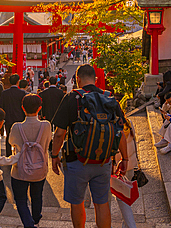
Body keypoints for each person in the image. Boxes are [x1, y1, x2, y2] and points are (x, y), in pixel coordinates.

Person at [50, 64, 129, 228]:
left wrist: (54, 155)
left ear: (77, 80)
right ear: (96, 79)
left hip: (76, 160)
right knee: (101, 203)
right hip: (104, 161)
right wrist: (125, 158)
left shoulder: (73, 98)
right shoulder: (110, 98)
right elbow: (120, 132)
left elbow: (59, 133)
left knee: (77, 203)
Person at [8, 94, 52, 228]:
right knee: (37, 195)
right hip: (39, 168)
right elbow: (49, 142)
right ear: (39, 108)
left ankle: (28, 224)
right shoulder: (46, 125)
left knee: (21, 199)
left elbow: (11, 142)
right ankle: (36, 221)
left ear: (23, 108)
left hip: (19, 169)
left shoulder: (17, 127)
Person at [114, 117, 141, 228]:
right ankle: (126, 224)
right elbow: (135, 141)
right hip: (130, 163)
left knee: (121, 198)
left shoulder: (114, 127)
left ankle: (130, 225)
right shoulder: (128, 123)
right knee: (124, 195)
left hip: (119, 165)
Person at [1, 77, 27, 154]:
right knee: (20, 137)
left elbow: (2, 106)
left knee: (8, 135)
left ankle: (8, 153)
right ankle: (19, 153)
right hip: (19, 118)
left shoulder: (4, 93)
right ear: (18, 82)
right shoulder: (22, 93)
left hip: (8, 117)